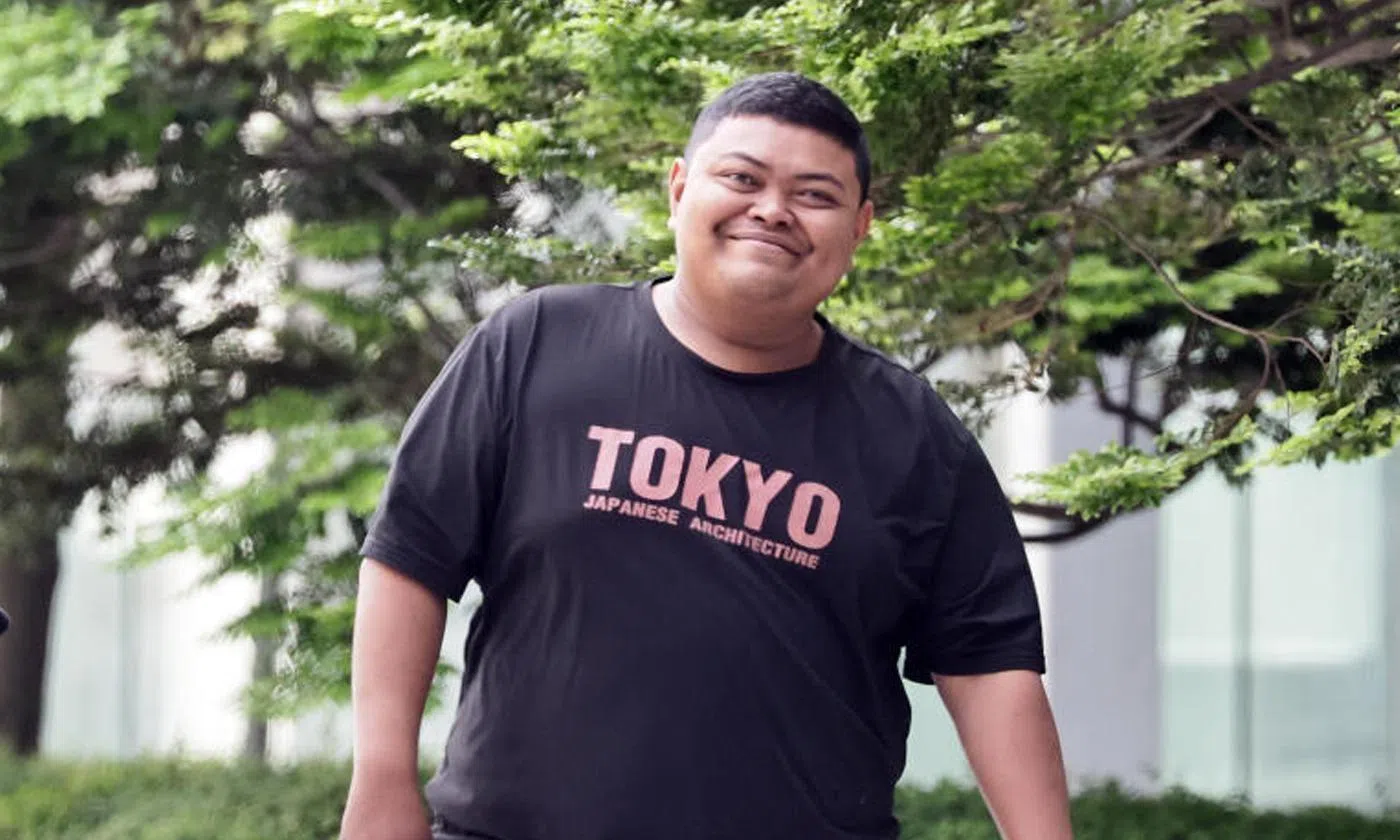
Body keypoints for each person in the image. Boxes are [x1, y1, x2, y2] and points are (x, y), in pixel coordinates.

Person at [339, 72, 1073, 840]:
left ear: (860, 227)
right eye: (743, 178)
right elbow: (409, 558)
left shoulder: (913, 435)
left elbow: (990, 665)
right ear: (679, 188)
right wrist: (383, 778)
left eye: (815, 195)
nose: (773, 210)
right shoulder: (534, 346)